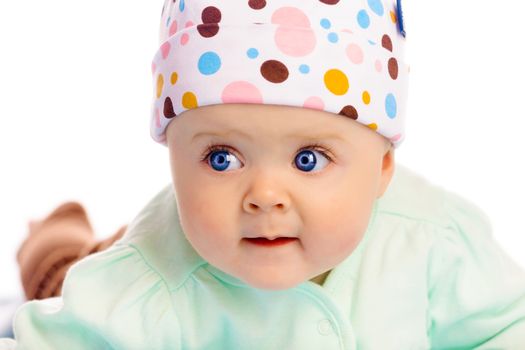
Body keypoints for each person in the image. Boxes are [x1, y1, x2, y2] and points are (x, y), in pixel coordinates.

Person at [2, 0, 525, 348]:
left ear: (383, 167)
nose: (265, 196)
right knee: (61, 267)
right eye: (221, 158)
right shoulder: (145, 284)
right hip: (124, 254)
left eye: (308, 160)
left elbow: (504, 328)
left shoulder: (432, 242)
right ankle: (55, 232)